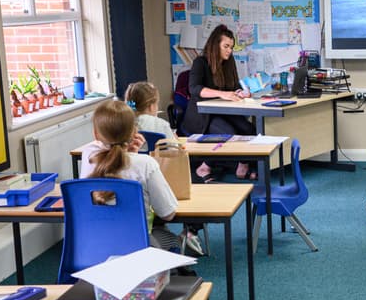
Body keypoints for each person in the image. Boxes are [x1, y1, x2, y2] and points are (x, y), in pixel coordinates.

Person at [80, 99, 182, 253]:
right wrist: (133, 155)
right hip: (138, 246)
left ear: (95, 134)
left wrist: (130, 154)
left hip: (95, 246)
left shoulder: (88, 157)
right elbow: (168, 213)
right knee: (173, 240)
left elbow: (115, 166)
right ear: (135, 132)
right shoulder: (146, 164)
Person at [124, 81, 203, 256]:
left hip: (134, 184)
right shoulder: (160, 125)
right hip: (163, 177)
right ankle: (191, 231)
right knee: (198, 181)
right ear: (153, 105)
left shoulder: (125, 124)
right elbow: (175, 149)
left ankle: (160, 226)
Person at [178, 24, 256, 181]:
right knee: (228, 133)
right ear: (215, 45)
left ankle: (242, 168)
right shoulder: (200, 62)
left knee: (249, 128)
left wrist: (241, 92)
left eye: (231, 47)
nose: (229, 50)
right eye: (226, 46)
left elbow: (233, 87)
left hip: (221, 111)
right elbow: (195, 89)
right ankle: (203, 167)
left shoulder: (228, 63)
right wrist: (223, 94)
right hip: (201, 117)